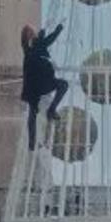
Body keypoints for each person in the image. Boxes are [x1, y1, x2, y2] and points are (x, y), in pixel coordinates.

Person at [21, 23, 68, 151]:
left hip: (45, 81)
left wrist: (58, 29)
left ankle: (51, 110)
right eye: (30, 33)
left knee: (63, 85)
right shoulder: (29, 47)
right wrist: (54, 30)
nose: (33, 34)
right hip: (34, 84)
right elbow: (44, 40)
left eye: (32, 32)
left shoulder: (39, 44)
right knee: (33, 112)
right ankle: (31, 144)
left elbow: (50, 39)